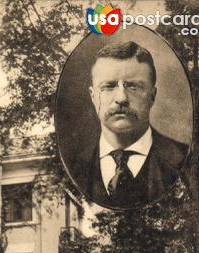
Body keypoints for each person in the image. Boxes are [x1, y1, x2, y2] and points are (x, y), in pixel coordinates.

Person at [64, 41, 188, 209]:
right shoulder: (74, 166)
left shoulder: (184, 159)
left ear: (153, 95)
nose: (121, 98)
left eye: (134, 86)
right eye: (108, 86)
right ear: (93, 97)